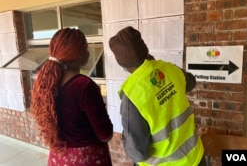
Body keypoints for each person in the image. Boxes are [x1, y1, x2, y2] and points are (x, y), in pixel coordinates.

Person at [109, 26, 206, 166]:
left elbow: (138, 153)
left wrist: (125, 137)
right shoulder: (170, 69)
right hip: (195, 158)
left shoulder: (131, 95)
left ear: (123, 64)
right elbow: (190, 83)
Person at [31, 28, 113, 166]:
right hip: (87, 159)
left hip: (59, 158)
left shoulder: (45, 82)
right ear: (78, 55)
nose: (88, 52)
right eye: (86, 48)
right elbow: (105, 135)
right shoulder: (84, 86)